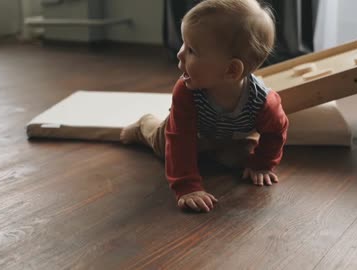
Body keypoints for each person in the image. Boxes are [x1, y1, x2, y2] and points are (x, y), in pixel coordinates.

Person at [120, 0, 289, 213]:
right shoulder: (187, 90)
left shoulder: (263, 102)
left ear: (231, 71)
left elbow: (275, 132)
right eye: (183, 44)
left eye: (191, 50)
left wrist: (262, 164)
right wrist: (187, 187)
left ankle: (210, 152)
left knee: (241, 156)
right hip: (185, 133)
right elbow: (179, 137)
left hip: (225, 137)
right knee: (164, 147)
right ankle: (144, 125)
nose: (180, 54)